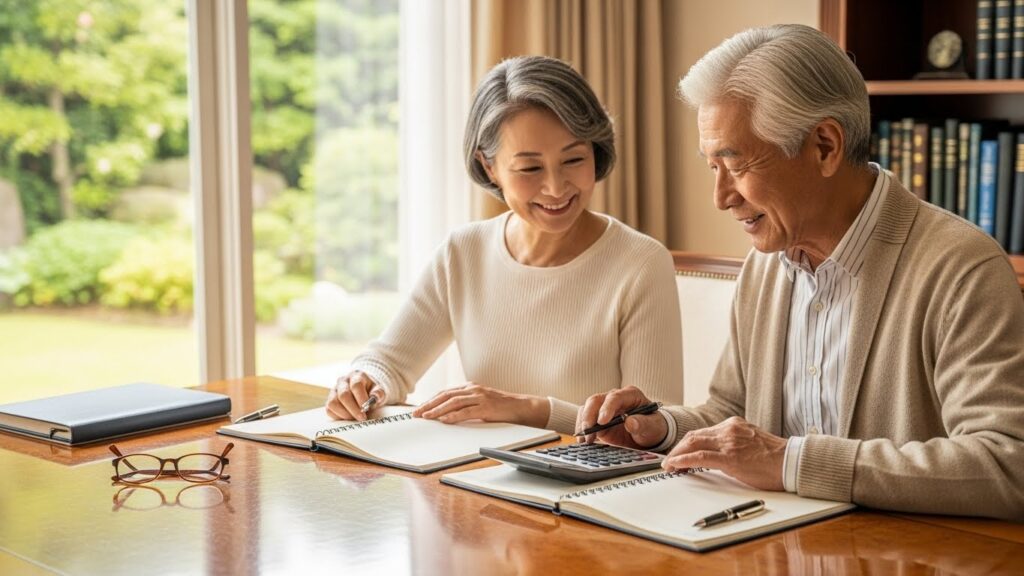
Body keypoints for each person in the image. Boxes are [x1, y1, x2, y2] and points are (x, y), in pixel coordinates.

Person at [578, 24, 1024, 519]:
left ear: (825, 146)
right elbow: (733, 416)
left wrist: (792, 461)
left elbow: (1007, 463)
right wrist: (659, 428)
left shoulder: (961, 268)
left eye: (738, 164)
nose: (721, 197)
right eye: (712, 167)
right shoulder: (766, 265)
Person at [325, 55, 683, 434]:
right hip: (476, 478)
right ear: (489, 166)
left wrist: (527, 409)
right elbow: (390, 363)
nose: (556, 188)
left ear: (596, 151)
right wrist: (364, 379)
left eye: (574, 159)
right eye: (530, 168)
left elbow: (652, 426)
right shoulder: (464, 252)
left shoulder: (640, 262)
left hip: (587, 488)